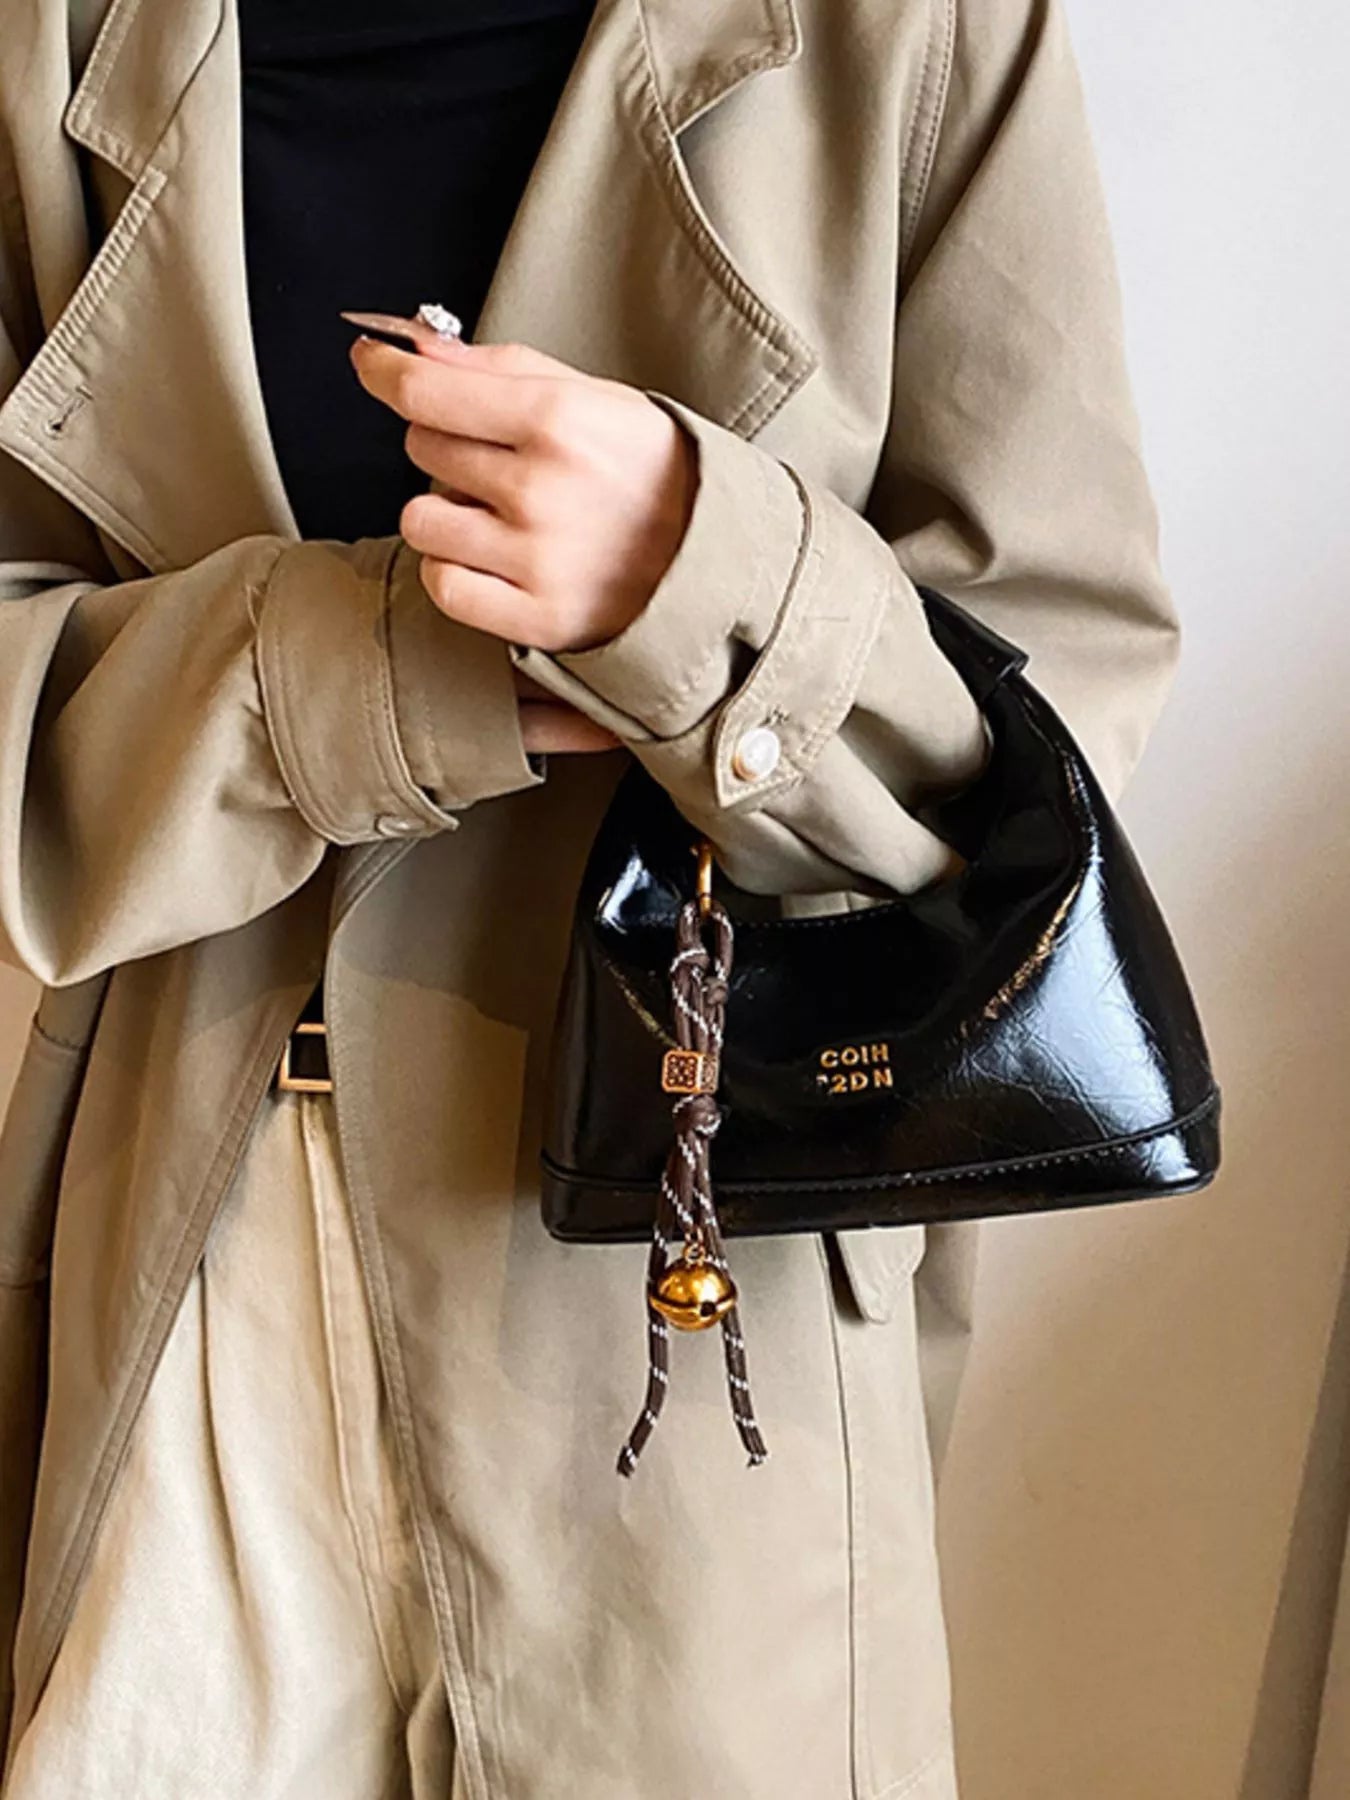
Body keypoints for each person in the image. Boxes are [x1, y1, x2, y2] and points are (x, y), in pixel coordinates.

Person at [0, 0, 1181, 1795]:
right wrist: (380, 669)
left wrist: (704, 577)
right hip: (179, 1255)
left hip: (693, 1299)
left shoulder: (915, 33)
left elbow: (1049, 729)